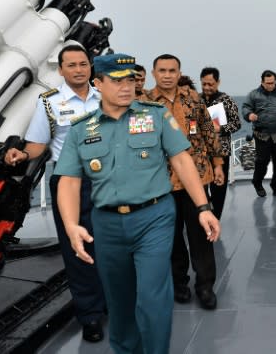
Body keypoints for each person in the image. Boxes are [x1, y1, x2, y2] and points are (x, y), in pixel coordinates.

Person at [55, 53, 221, 354]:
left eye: (130, 79)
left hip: (154, 217)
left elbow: (182, 160)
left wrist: (203, 207)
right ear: (98, 84)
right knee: (120, 301)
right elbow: (68, 179)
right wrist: (71, 225)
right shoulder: (81, 129)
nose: (126, 87)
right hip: (106, 224)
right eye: (117, 81)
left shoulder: (155, 115)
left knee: (152, 297)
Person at [4, 44, 106, 342]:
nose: (78, 69)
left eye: (83, 64)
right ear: (60, 70)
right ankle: (90, 315)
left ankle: (114, 302)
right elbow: (37, 145)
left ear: (91, 67)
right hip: (70, 180)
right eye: (71, 65)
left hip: (110, 179)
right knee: (79, 250)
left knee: (113, 244)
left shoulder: (107, 96)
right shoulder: (50, 103)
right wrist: (20, 155)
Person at [141, 54, 225, 310]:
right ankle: (179, 283)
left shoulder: (193, 99)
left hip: (196, 180)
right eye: (162, 70)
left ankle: (205, 286)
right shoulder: (142, 104)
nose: (167, 75)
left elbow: (209, 132)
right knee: (171, 236)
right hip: (161, 182)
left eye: (172, 70)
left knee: (202, 234)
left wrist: (218, 163)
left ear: (179, 73)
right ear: (154, 73)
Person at [242, 70, 276, 198]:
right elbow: (245, 107)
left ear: (275, 81)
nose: (270, 85)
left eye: (272, 83)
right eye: (267, 83)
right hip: (262, 134)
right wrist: (250, 115)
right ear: (262, 82)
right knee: (262, 161)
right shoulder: (253, 95)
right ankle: (257, 182)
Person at [200, 66, 242, 218]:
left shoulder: (226, 100)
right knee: (201, 187)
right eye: (204, 84)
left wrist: (221, 128)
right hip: (201, 152)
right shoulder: (197, 99)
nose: (207, 87)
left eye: (210, 84)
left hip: (221, 150)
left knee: (218, 188)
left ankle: (216, 217)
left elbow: (237, 124)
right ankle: (204, 215)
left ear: (218, 82)